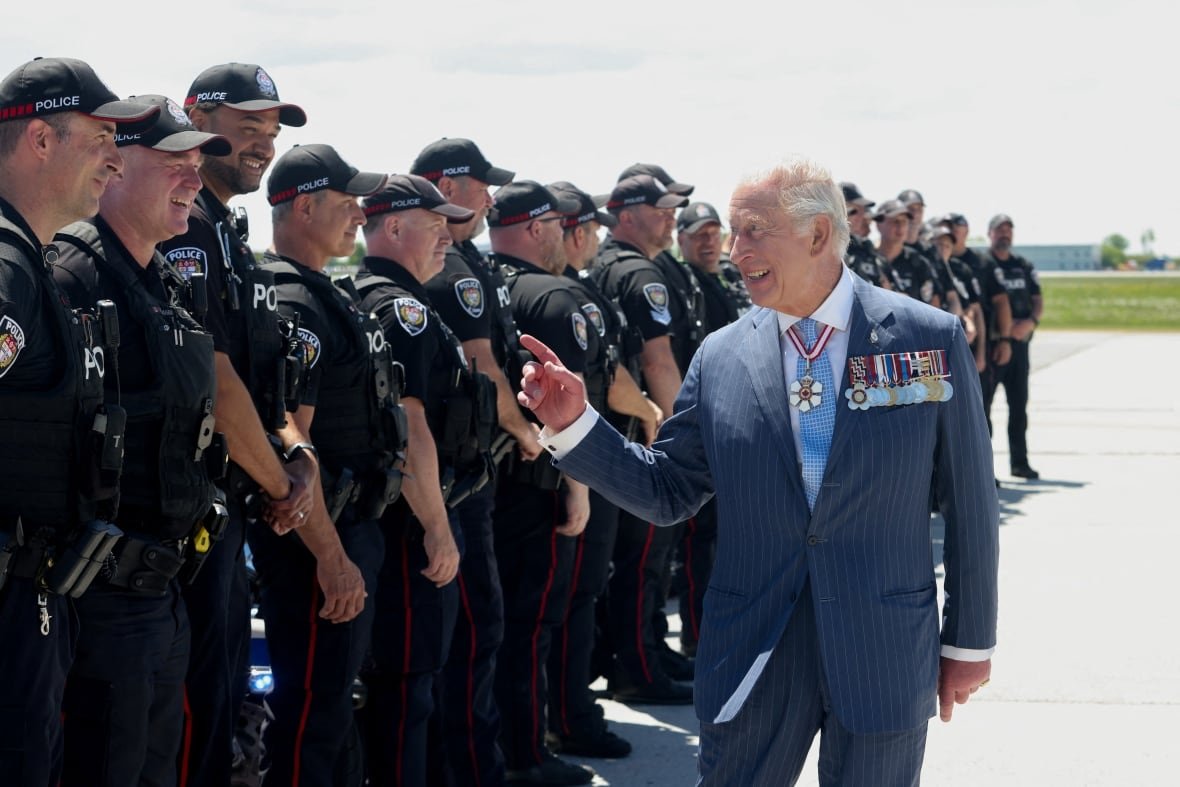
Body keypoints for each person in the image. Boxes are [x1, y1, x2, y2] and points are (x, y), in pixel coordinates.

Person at [518, 159, 999, 786]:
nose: (735, 249)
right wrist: (577, 425)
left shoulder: (924, 338)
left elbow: (971, 503)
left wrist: (968, 642)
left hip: (882, 646)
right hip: (753, 654)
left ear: (818, 235)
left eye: (753, 230)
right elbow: (669, 490)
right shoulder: (721, 356)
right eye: (735, 231)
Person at [51, 93, 228, 787]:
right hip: (96, 604)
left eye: (198, 164)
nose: (193, 178)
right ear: (115, 167)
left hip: (166, 590)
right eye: (176, 162)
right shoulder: (71, 277)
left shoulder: (164, 284)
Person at [157, 62, 323, 787]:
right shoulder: (183, 225)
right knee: (193, 712)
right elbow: (218, 385)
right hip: (188, 509)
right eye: (246, 127)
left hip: (234, 506)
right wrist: (282, 479)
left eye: (270, 132)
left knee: (221, 702)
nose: (262, 144)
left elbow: (265, 386)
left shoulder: (229, 234)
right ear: (198, 118)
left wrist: (298, 454)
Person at [0, 56, 155, 787]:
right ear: (39, 141)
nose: (116, 160)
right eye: (100, 139)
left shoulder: (27, 262)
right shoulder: (7, 270)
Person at [252, 144, 396, 784]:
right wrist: (332, 559)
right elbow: (292, 452)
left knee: (336, 709)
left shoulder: (322, 292)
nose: (360, 217)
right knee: (313, 710)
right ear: (304, 206)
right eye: (346, 204)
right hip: (317, 544)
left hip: (349, 529)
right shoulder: (295, 303)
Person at [410, 137, 531, 786]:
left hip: (466, 471)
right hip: (459, 479)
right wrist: (531, 434)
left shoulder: (464, 263)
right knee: (472, 626)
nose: (491, 196)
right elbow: (483, 367)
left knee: (474, 626)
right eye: (481, 184)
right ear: (447, 188)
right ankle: (471, 769)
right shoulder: (452, 268)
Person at [351, 174, 473, 786]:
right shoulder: (404, 311)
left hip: (397, 518)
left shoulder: (372, 295)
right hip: (408, 523)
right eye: (435, 225)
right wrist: (437, 527)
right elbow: (413, 427)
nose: (448, 238)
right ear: (394, 227)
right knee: (407, 688)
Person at [486, 181, 598, 786]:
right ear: (536, 228)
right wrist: (579, 481)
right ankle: (526, 752)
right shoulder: (554, 294)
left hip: (491, 479)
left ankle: (508, 744)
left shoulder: (483, 281)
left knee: (499, 622)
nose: (567, 233)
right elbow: (570, 405)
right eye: (559, 223)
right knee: (532, 621)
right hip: (540, 479)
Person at [544, 180, 659, 760]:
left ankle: (558, 714)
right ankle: (567, 716)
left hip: (575, 464)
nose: (592, 238)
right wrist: (653, 410)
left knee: (565, 602)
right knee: (572, 598)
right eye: (585, 228)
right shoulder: (563, 295)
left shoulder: (571, 287)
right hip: (577, 466)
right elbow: (600, 386)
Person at [593, 174, 696, 704]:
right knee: (643, 561)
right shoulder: (638, 273)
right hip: (649, 433)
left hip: (623, 436)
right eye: (662, 209)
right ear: (627, 214)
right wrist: (687, 439)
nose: (672, 219)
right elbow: (658, 362)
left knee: (640, 562)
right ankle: (638, 667)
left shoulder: (607, 264)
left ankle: (648, 652)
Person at [673, 200, 750, 658]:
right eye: (697, 233)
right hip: (702, 426)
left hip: (731, 424)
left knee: (721, 540)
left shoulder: (721, 279)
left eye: (713, 233)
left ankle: (709, 633)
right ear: (680, 239)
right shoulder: (681, 281)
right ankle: (697, 637)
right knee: (699, 542)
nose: (707, 242)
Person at [982, 214, 1042, 480]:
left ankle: (1020, 462)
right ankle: (985, 470)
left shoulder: (1023, 266)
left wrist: (1031, 321)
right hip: (994, 346)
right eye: (999, 230)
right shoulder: (984, 264)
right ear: (990, 234)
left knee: (1019, 407)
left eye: (1008, 230)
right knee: (984, 408)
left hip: (1020, 345)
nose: (1004, 234)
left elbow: (1037, 298)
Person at [946, 213, 1014, 415]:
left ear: (966, 231)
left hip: (978, 343)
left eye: (958, 228)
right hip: (947, 347)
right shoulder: (934, 262)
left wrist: (1005, 339)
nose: (953, 234)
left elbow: (1001, 302)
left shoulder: (982, 263)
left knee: (981, 411)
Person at [874, 199, 939, 307]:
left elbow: (934, 304)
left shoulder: (919, 263)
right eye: (895, 221)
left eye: (904, 221)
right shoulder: (867, 261)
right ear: (878, 224)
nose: (901, 227)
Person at [839, 182, 893, 289]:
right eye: (855, 210)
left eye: (862, 210)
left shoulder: (865, 248)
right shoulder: (825, 247)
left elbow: (886, 288)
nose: (862, 216)